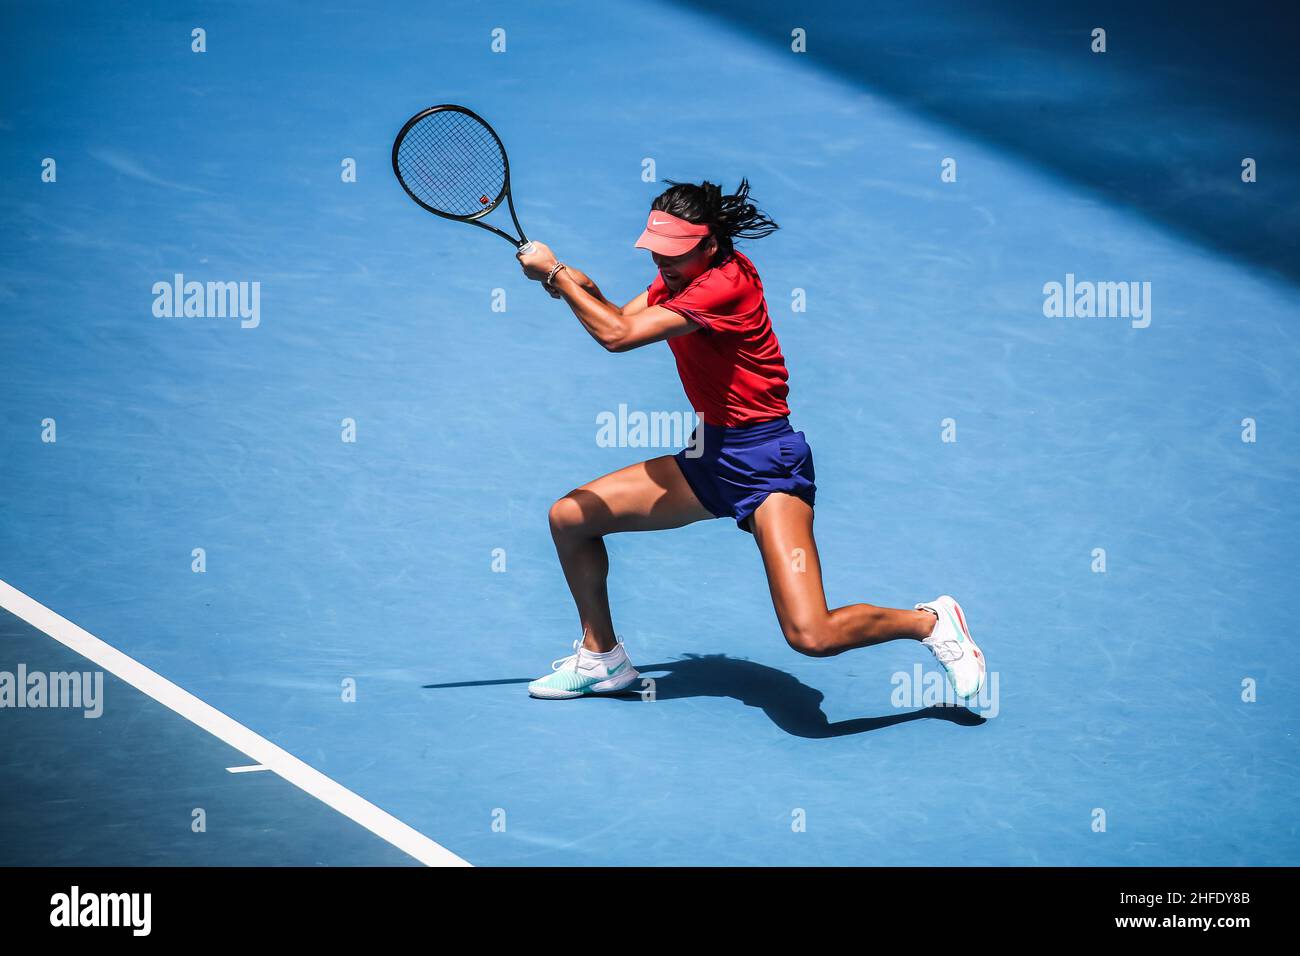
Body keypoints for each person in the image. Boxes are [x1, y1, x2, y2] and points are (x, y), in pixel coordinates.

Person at [516, 179, 985, 702]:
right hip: (709, 458)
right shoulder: (681, 281)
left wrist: (557, 274)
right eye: (656, 252)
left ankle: (931, 622)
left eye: (675, 253)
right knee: (571, 517)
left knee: (812, 635)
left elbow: (616, 337)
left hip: (766, 464)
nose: (662, 263)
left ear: (710, 246)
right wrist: (572, 284)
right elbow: (623, 317)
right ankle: (602, 658)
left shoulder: (724, 285)